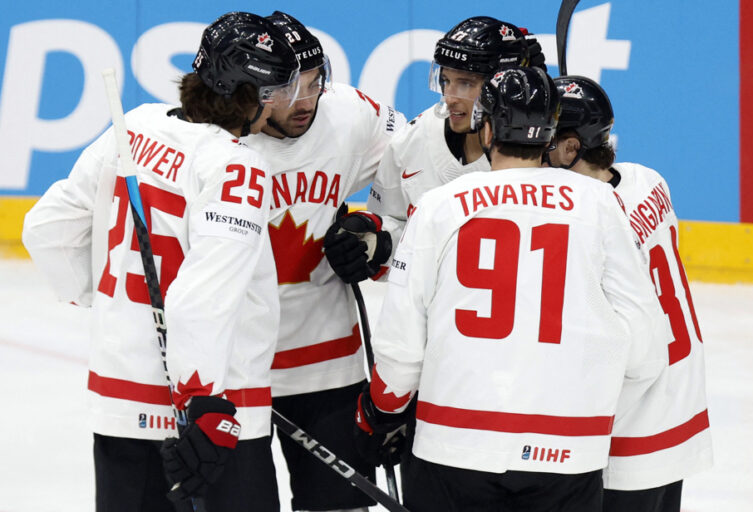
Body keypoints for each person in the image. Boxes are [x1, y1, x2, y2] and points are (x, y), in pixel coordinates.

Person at [352, 66, 671, 511]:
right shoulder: (600, 205)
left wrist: (380, 412)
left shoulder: (440, 206)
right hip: (567, 454)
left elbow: (403, 344)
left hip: (452, 447)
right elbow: (646, 346)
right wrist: (591, 412)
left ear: (486, 129)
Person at [22, 12, 300, 512]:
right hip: (212, 412)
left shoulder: (137, 126)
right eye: (276, 89)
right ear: (245, 93)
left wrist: (105, 300)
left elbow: (47, 229)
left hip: (118, 404)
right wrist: (201, 398)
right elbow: (203, 300)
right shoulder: (237, 166)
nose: (285, 101)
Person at [243, 11, 405, 512]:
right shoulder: (213, 140)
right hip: (235, 370)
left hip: (328, 369)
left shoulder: (351, 113)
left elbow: (415, 184)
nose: (304, 102)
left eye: (314, 84)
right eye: (287, 89)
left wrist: (373, 235)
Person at [546, 75, 713, 512]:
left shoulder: (586, 222)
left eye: (543, 139)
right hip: (677, 407)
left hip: (629, 426)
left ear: (568, 148)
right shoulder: (648, 180)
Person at [353, 16, 546, 278]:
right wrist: (380, 245)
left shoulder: (544, 153)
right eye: (445, 80)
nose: (449, 97)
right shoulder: (413, 138)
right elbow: (394, 224)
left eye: (466, 83)